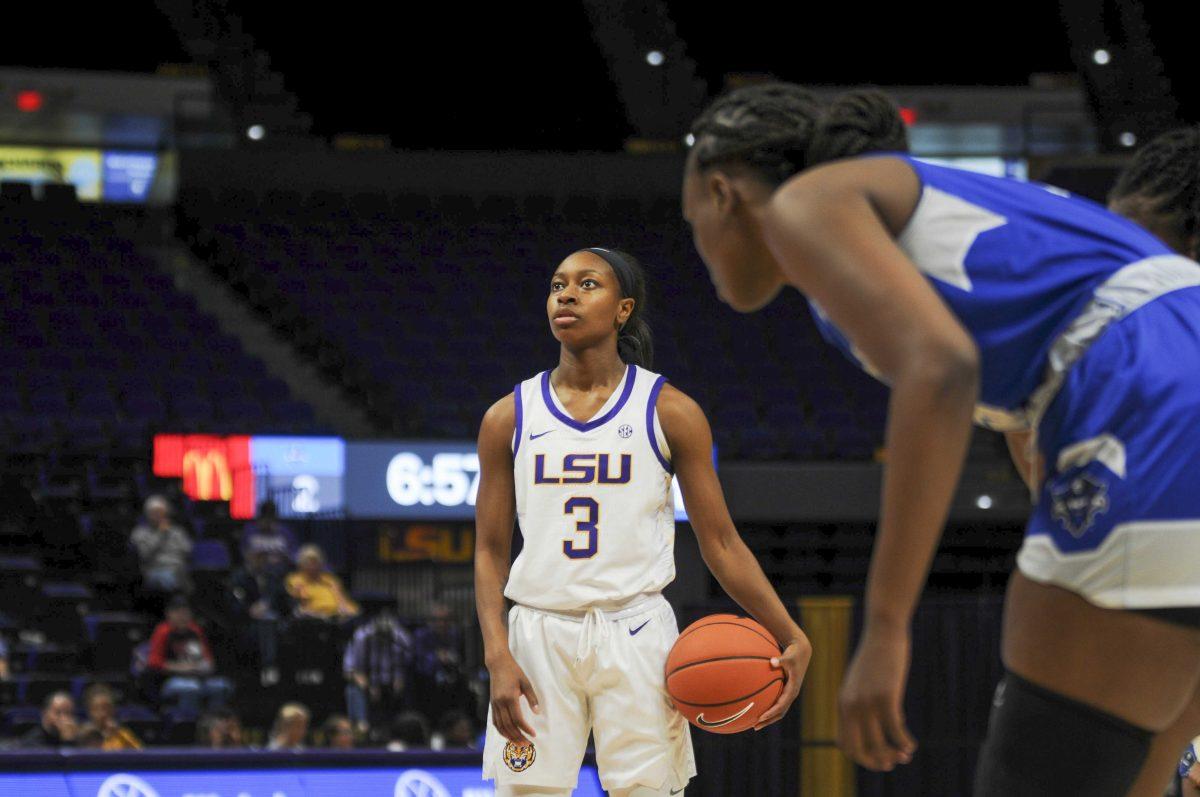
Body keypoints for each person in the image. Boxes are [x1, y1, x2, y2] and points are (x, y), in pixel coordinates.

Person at [680, 82, 1200, 796]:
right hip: (1168, 354)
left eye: (690, 221)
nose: (699, 249)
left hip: (1151, 381)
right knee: (1143, 769)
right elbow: (1021, 415)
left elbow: (943, 369)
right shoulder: (936, 214)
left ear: (720, 193)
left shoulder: (807, 206)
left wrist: (887, 628)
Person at [475, 247, 810, 796]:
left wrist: (790, 632)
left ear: (623, 308)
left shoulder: (670, 410)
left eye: (588, 285)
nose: (567, 294)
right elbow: (490, 550)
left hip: (635, 629)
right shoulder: (507, 417)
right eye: (558, 284)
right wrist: (496, 654)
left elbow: (721, 543)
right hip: (536, 632)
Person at [147, 596, 233, 714]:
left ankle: (213, 722)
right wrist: (181, 667)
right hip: (170, 679)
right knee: (190, 688)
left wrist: (203, 666)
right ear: (169, 614)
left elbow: (208, 659)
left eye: (186, 612)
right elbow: (154, 662)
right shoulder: (163, 631)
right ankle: (187, 724)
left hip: (198, 677)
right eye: (179, 613)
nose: (183, 616)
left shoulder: (195, 630)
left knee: (222, 686)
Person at [343, 609, 412, 735]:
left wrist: (399, 680)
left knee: (410, 686)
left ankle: (404, 730)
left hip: (393, 683)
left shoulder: (401, 637)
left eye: (387, 635)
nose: (384, 639)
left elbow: (407, 665)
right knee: (352, 689)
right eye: (381, 635)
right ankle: (361, 729)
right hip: (367, 682)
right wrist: (368, 686)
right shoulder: (361, 638)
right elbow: (349, 670)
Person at [229, 548, 292, 686]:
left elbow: (284, 599)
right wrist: (249, 609)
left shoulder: (273, 576)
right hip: (248, 622)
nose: (261, 560)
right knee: (266, 625)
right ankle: (269, 666)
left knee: (282, 625)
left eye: (263, 557)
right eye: (257, 557)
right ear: (248, 557)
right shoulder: (239, 577)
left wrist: (269, 605)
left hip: (275, 619)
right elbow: (234, 603)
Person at [411, 603, 471, 721]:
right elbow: (418, 660)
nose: (442, 624)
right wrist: (436, 658)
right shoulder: (421, 635)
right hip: (428, 679)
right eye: (438, 620)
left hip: (451, 678)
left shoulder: (454, 635)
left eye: (446, 620)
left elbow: (460, 657)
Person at [130, 495, 193, 594]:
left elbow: (187, 550)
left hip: (178, 568)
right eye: (155, 513)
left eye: (161, 513)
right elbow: (145, 555)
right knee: (167, 579)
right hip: (155, 569)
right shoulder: (140, 533)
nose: (158, 516)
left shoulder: (177, 532)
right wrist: (161, 534)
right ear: (147, 514)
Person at [286, 545, 359, 620]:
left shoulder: (329, 579)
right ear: (301, 564)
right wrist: (318, 614)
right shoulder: (296, 579)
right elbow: (300, 603)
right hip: (315, 617)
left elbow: (341, 598)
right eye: (309, 562)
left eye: (316, 561)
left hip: (337, 615)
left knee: (355, 614)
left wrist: (344, 609)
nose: (313, 565)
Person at [241, 500, 298, 575]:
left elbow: (294, 555)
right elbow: (244, 553)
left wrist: (283, 557)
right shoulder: (250, 531)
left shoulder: (285, 532)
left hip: (281, 572)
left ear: (275, 519)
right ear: (260, 519)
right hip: (255, 571)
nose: (267, 523)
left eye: (270, 519)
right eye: (265, 519)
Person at [82, 683, 142, 750]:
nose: (103, 713)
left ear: (113, 709)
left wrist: (118, 734)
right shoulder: (84, 735)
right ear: (90, 711)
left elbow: (140, 754)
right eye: (96, 708)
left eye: (106, 708)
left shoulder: (122, 734)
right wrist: (104, 737)